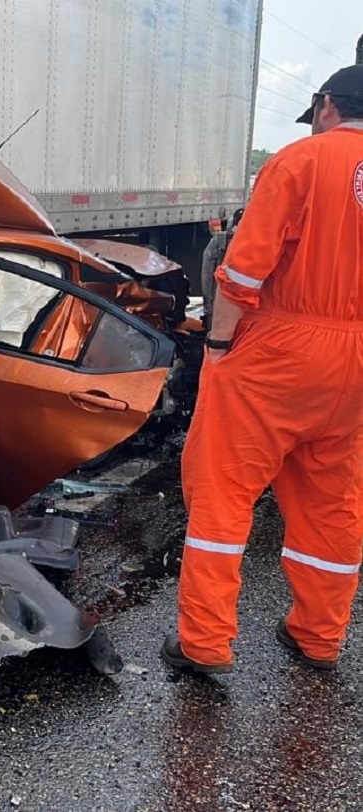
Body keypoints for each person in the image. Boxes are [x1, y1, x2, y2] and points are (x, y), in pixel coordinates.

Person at [162, 63, 363, 674]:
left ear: (326, 105)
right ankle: (318, 637)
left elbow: (243, 271)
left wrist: (218, 346)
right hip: (356, 363)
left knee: (223, 487)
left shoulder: (301, 161)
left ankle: (204, 643)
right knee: (333, 499)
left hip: (281, 350)